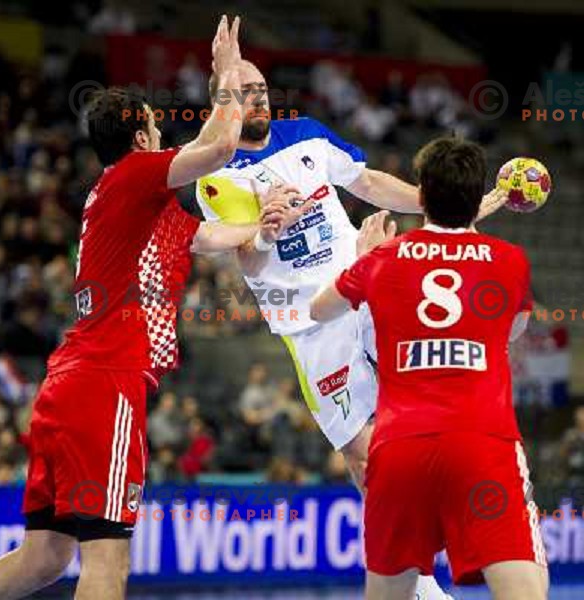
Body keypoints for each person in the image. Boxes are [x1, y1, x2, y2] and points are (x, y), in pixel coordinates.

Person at [0, 16, 302, 600]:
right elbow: (220, 146)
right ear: (141, 138)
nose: (160, 134)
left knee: (44, 556)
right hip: (107, 379)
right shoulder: (134, 176)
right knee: (108, 565)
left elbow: (217, 237)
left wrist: (263, 221)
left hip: (72, 382)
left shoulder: (144, 207)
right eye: (155, 126)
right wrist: (228, 74)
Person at [196, 59, 506, 600]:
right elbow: (247, 260)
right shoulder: (216, 174)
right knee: (364, 455)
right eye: (244, 92)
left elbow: (365, 181)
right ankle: (421, 584)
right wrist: (270, 231)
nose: (259, 99)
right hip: (309, 326)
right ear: (221, 103)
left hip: (363, 288)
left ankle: (479, 529)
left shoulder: (306, 134)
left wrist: (444, 206)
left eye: (263, 89)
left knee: (432, 414)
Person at [310, 137, 548, 600]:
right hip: (482, 443)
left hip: (400, 447)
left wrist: (363, 259)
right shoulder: (509, 261)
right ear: (476, 198)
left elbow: (320, 312)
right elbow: (513, 333)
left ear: (420, 195)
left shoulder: (382, 259)